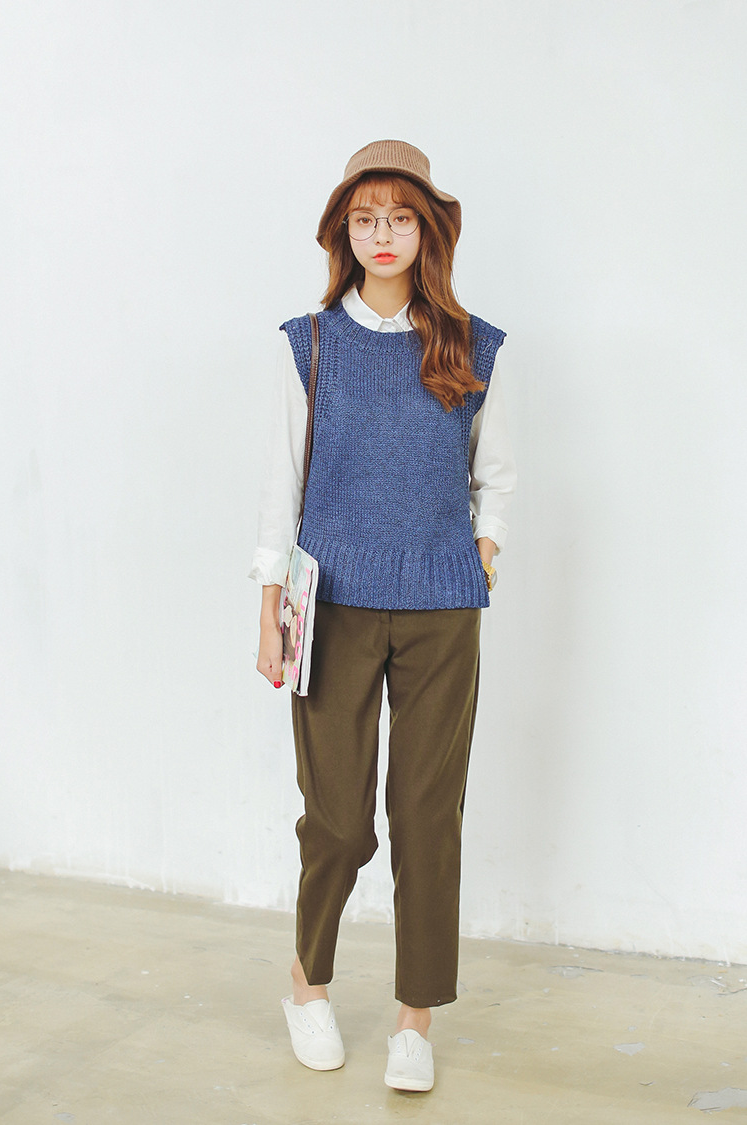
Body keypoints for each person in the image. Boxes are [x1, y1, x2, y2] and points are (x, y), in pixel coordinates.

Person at [249, 139, 516, 1092]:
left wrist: (482, 550)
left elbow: (496, 476)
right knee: (336, 818)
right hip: (332, 605)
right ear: (344, 233)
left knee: (426, 817)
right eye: (365, 219)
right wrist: (269, 607)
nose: (383, 234)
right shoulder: (310, 343)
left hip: (442, 610)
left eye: (401, 216)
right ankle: (308, 984)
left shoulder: (474, 344)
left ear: (428, 228)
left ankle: (415, 1019)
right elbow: (281, 484)